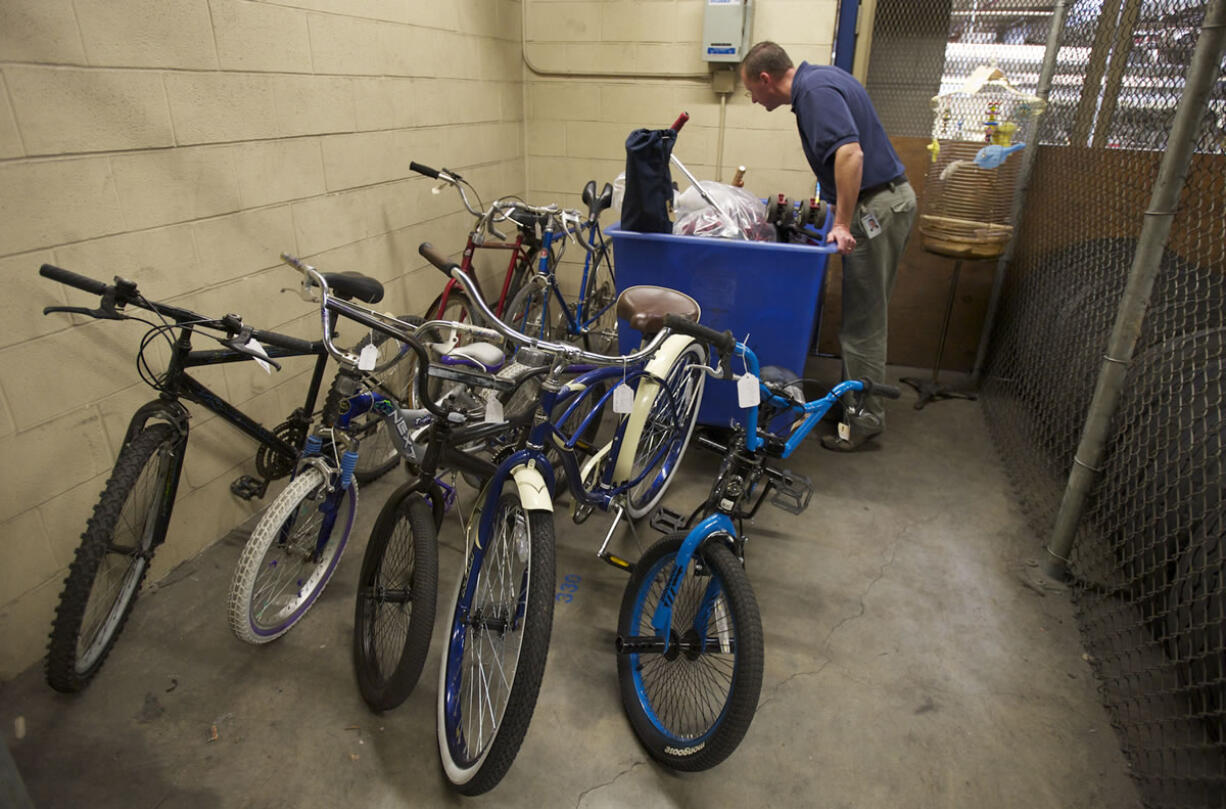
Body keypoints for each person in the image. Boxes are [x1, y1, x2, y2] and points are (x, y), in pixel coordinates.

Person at [741, 41, 916, 451]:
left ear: (766, 79)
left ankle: (865, 418)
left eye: (751, 90)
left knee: (863, 321)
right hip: (881, 201)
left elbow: (850, 155)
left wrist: (841, 223)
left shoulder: (814, 93)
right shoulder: (820, 79)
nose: (752, 98)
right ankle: (853, 401)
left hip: (879, 205)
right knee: (861, 315)